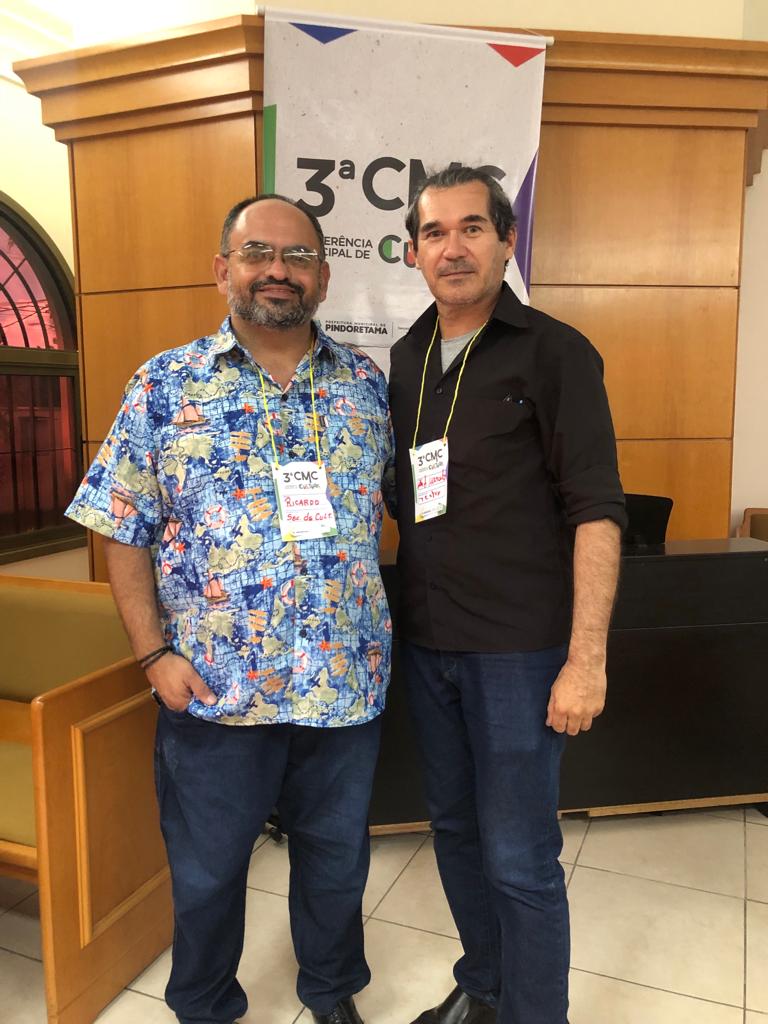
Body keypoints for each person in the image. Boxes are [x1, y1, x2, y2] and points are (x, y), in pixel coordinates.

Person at [66, 194, 392, 1024]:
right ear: (223, 271)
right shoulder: (164, 385)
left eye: (298, 256)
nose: (278, 270)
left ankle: (330, 993)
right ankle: (206, 1005)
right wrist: (153, 656)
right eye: (258, 254)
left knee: (336, 863)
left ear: (323, 277)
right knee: (208, 871)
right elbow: (121, 526)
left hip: (341, 686)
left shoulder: (365, 385)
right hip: (214, 690)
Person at [388, 166, 626, 1024]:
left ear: (506, 241)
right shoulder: (408, 356)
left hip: (519, 655)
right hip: (428, 644)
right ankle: (485, 987)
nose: (452, 248)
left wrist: (586, 661)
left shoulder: (556, 352)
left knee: (521, 858)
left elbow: (597, 511)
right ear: (413, 251)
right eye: (435, 232)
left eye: (472, 228)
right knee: (455, 834)